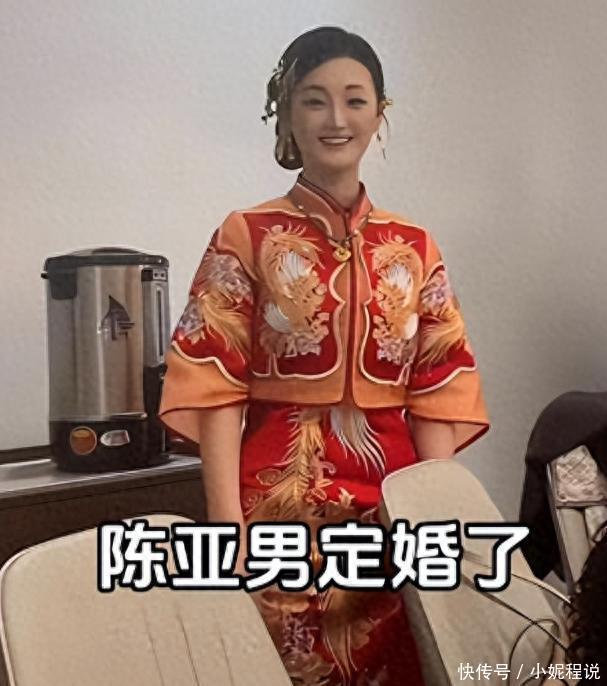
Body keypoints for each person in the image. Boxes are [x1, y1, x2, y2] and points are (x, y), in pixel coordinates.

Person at [159, 25, 490, 686]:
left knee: (409, 661)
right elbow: (215, 384)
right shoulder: (246, 235)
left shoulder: (415, 246)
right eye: (314, 100)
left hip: (390, 504)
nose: (336, 118)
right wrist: (227, 529)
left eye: (354, 100)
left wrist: (436, 523)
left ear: (378, 114)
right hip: (277, 504)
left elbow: (437, 390)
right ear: (286, 113)